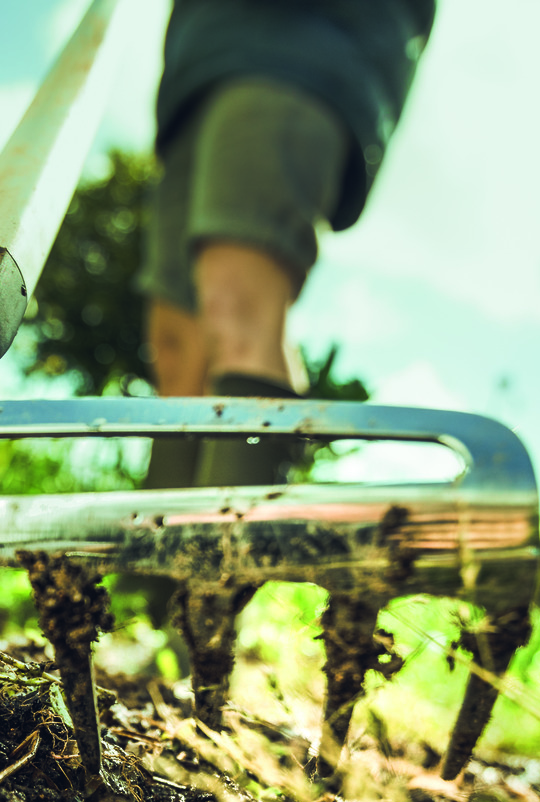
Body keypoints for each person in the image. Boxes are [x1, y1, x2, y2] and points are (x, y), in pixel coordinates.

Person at [138, 0, 437, 486]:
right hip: (200, 62)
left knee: (237, 311)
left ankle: (230, 551)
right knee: (177, 350)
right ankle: (160, 555)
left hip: (303, 48)